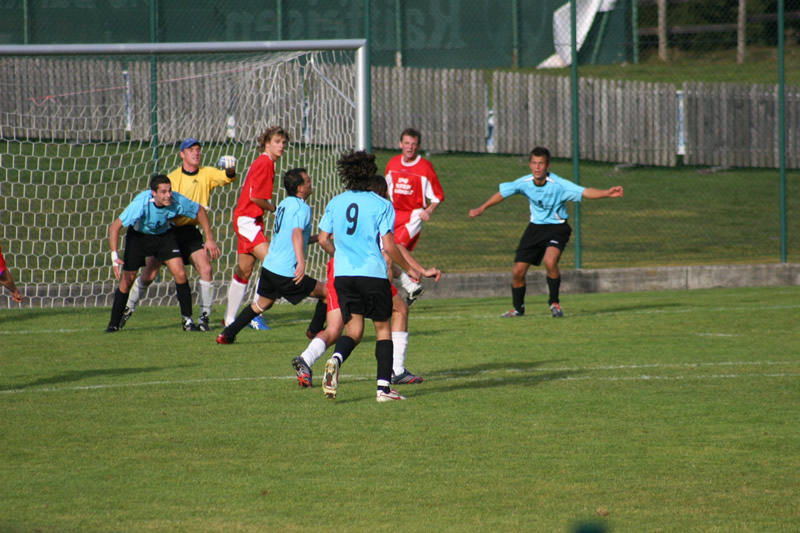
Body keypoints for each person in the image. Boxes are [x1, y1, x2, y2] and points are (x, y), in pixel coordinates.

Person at [292, 176, 440, 388]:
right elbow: (393, 246)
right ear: (382, 193)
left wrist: (339, 254)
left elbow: (325, 238)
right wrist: (417, 270)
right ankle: (393, 373)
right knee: (396, 315)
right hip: (368, 275)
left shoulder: (342, 204)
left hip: (340, 272)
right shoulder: (378, 209)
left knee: (340, 330)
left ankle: (308, 359)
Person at [469, 146, 624, 318]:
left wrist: (606, 193)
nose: (537, 167)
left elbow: (585, 191)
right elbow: (503, 193)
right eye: (534, 163)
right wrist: (481, 208)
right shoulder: (524, 182)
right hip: (535, 228)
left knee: (550, 262)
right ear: (529, 165)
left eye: (541, 163)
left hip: (557, 228)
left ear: (547, 165)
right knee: (517, 271)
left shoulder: (559, 185)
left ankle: (554, 303)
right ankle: (518, 309)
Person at [120, 137, 234, 331]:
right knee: (149, 274)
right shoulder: (172, 179)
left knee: (206, 267)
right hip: (170, 232)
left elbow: (227, 177)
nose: (196, 153)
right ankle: (127, 309)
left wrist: (231, 168)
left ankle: (203, 318)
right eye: (191, 150)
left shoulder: (207, 173)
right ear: (182, 155)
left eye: (198, 149)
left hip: (191, 232)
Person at [216, 168, 326, 344]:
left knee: (261, 305)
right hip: (286, 272)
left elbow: (292, 236)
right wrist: (301, 263)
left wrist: (321, 238)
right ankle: (315, 331)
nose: (310, 182)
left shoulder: (284, 204)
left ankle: (227, 334)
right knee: (327, 293)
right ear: (300, 188)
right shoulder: (302, 208)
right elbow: (296, 234)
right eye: (307, 181)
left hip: (270, 268)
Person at [106, 174, 218, 332]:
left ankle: (187, 321)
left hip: (164, 237)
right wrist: (114, 256)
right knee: (128, 280)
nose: (168, 195)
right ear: (154, 193)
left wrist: (210, 239)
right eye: (164, 192)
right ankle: (114, 324)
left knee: (180, 272)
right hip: (138, 238)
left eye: (170, 191)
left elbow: (199, 210)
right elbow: (115, 226)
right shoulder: (141, 203)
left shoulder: (176, 200)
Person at [222, 126, 289, 331]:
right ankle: (253, 313)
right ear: (267, 143)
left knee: (244, 270)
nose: (281, 146)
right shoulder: (265, 162)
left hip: (249, 220)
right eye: (277, 142)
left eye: (284, 143)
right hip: (247, 221)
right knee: (273, 262)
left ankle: (230, 319)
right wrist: (274, 209)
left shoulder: (266, 162)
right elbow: (255, 197)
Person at [384, 127, 445, 305]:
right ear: (400, 144)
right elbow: (385, 192)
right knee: (383, 255)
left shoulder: (425, 167)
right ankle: (411, 285)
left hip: (412, 216)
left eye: (414, 144)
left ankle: (386, 301)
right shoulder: (393, 163)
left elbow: (438, 196)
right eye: (407, 143)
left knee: (390, 252)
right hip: (393, 214)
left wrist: (429, 210)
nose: (410, 147)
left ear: (418, 146)